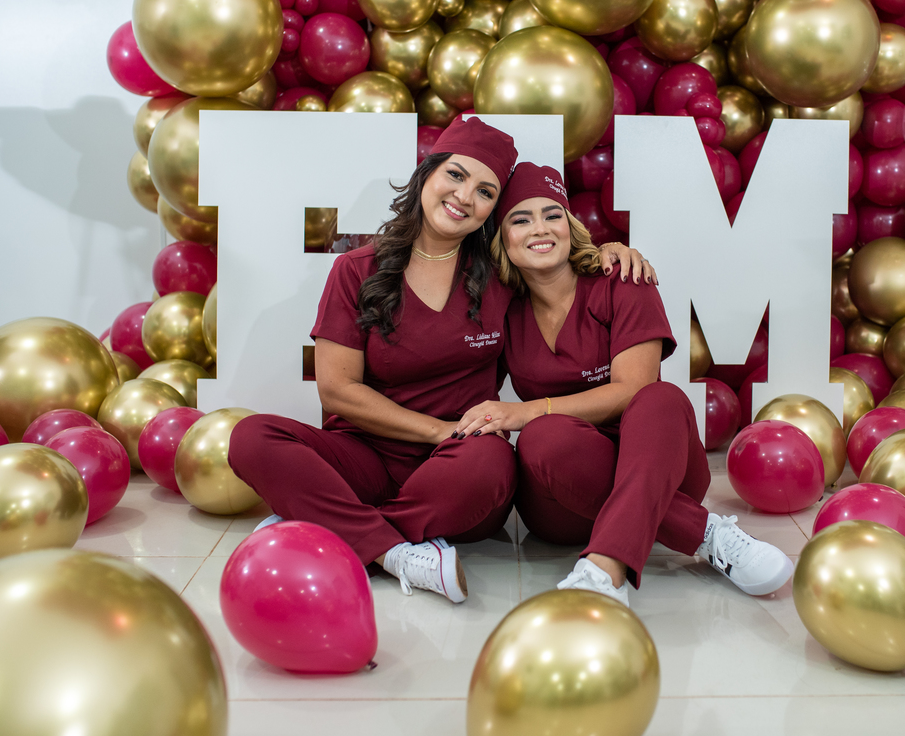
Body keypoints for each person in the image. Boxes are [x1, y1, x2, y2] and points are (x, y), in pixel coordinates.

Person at [228, 119, 649, 605]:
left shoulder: (503, 273)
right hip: (366, 454)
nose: (465, 196)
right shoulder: (355, 270)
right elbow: (337, 389)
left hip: (462, 463)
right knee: (250, 436)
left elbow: (559, 266)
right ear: (426, 173)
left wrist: (610, 252)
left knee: (492, 463)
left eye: (486, 191)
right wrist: (434, 430)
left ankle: (335, 522)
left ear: (492, 210)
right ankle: (394, 551)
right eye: (455, 175)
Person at [453, 163, 793, 606]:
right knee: (541, 438)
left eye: (553, 215)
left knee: (660, 397)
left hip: (662, 469)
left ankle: (604, 569)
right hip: (563, 499)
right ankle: (704, 532)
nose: (540, 228)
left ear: (571, 227)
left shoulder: (622, 280)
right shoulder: (500, 309)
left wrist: (526, 410)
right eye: (521, 219)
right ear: (502, 240)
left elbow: (631, 389)